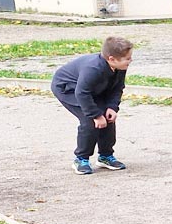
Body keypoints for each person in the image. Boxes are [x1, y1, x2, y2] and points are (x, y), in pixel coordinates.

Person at [51, 37, 132, 175]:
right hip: (69, 89)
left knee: (108, 117)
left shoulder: (120, 66)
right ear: (112, 59)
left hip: (92, 90)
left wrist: (112, 107)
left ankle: (105, 156)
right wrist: (95, 115)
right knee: (90, 121)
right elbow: (81, 93)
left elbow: (117, 88)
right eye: (127, 58)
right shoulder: (93, 69)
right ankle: (81, 159)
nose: (130, 61)